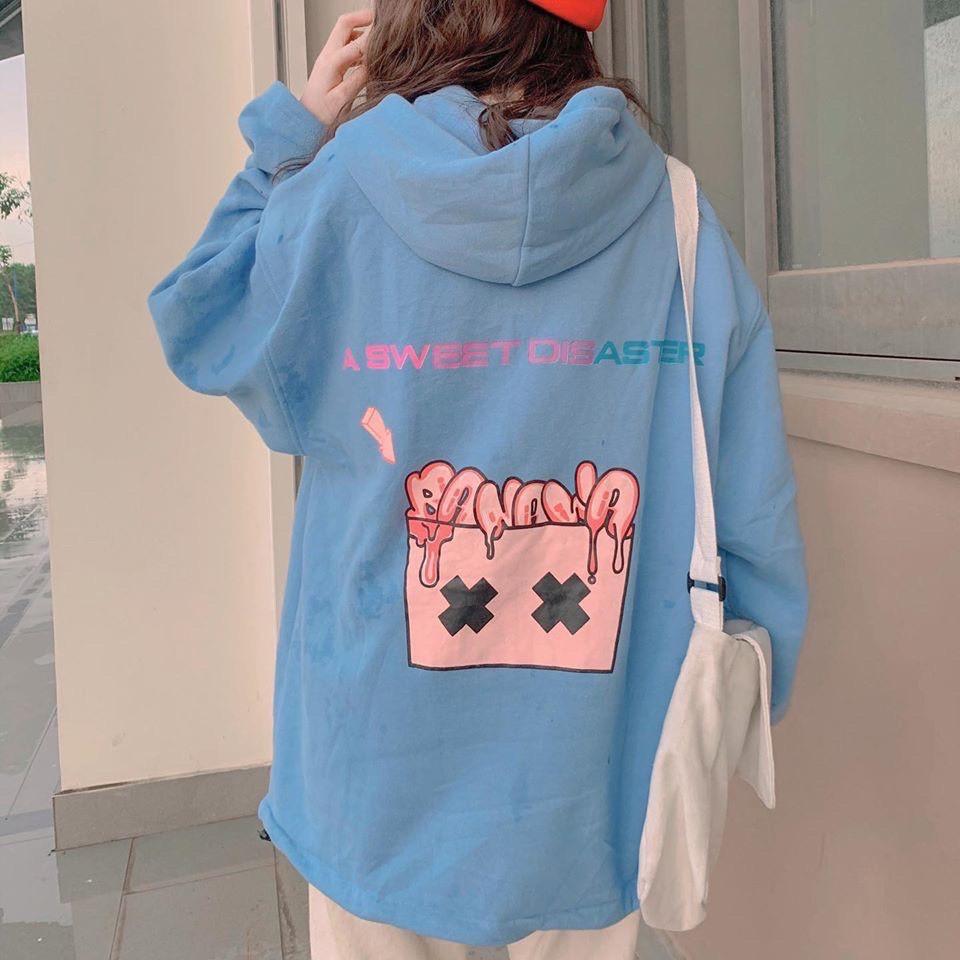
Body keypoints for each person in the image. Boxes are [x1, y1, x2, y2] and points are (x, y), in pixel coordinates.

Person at [149, 0, 807, 956]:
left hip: (374, 762)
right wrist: (749, 689)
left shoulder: (340, 193)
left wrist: (287, 139)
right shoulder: (677, 221)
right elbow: (751, 507)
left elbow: (201, 318)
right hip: (599, 766)